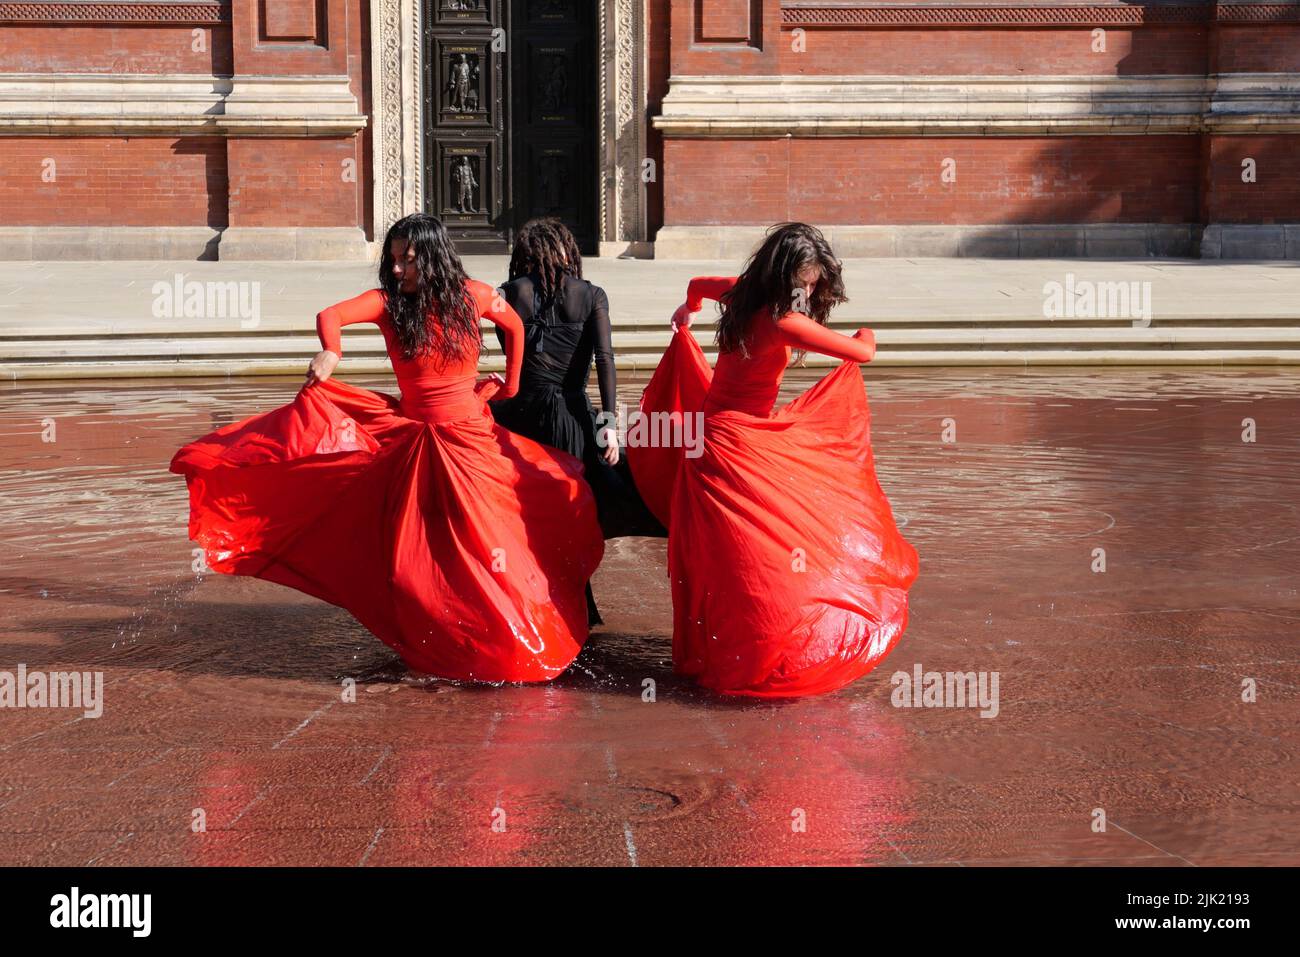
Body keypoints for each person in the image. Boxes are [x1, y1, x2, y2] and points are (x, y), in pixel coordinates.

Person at [169, 213, 604, 684]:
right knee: (415, 558)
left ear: (433, 257)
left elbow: (515, 326)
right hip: (416, 443)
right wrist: (332, 351)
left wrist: (512, 385)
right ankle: (445, 640)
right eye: (393, 259)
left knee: (490, 542)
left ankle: (504, 637)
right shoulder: (387, 304)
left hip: (471, 441)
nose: (397, 270)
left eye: (408, 260)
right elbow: (329, 315)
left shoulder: (474, 295)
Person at [628, 222, 919, 698]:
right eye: (804, 281)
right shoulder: (785, 323)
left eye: (813, 281)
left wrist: (687, 311)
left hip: (710, 441)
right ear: (784, 273)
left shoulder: (741, 294)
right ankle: (758, 657)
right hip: (736, 447)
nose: (809, 289)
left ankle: (720, 654)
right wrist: (868, 330)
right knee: (761, 561)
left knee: (727, 562)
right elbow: (863, 352)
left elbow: (696, 286)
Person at [488, 218, 665, 622]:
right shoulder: (592, 295)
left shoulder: (510, 294)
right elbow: (605, 360)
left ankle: (527, 603)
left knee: (525, 511)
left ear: (525, 256)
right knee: (573, 507)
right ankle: (579, 608)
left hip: (518, 414)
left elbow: (509, 350)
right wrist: (607, 427)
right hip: (569, 414)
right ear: (568, 251)